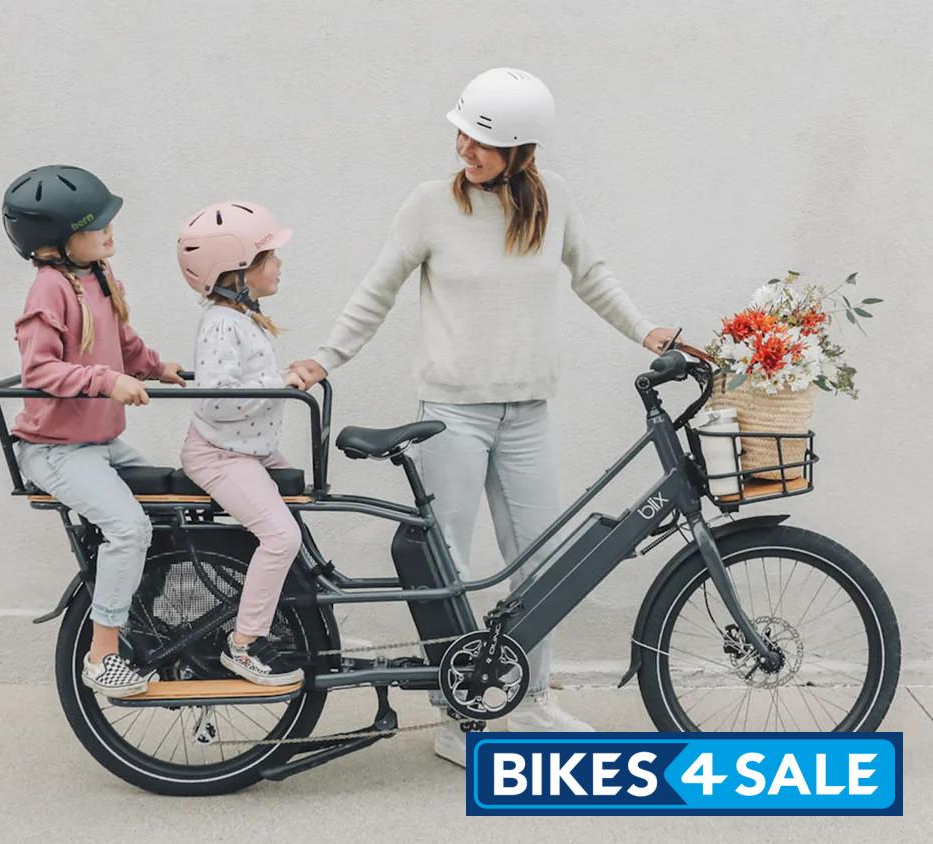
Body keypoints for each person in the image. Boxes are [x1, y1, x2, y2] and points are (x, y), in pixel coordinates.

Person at [287, 69, 680, 765]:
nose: (464, 149)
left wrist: (647, 331)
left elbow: (592, 273)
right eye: (462, 134)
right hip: (451, 416)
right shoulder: (429, 205)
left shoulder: (555, 199)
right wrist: (326, 358)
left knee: (542, 560)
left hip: (528, 412)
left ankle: (530, 702)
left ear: (520, 150)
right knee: (448, 566)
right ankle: (457, 717)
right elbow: (376, 290)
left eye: (481, 141)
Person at [2, 165, 185, 698]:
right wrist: (107, 381)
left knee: (171, 508)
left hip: (100, 443)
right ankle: (102, 655)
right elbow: (39, 370)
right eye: (96, 225)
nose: (109, 232)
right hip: (56, 450)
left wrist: (155, 368)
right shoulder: (49, 290)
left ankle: (139, 619)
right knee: (128, 528)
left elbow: (122, 342)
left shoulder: (98, 276)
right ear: (57, 241)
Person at [174, 201, 310, 685]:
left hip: (247, 450)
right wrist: (281, 384)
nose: (279, 264)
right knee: (281, 536)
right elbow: (217, 401)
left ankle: (290, 607)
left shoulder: (242, 318)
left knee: (297, 503)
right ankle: (244, 643)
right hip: (220, 455)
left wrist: (284, 377)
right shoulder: (222, 323)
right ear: (238, 269)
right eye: (270, 257)